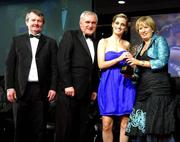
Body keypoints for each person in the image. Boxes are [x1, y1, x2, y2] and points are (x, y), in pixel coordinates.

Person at [5, 9, 58, 142]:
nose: (36, 23)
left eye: (39, 21)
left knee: (39, 128)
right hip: (20, 90)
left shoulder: (51, 42)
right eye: (33, 20)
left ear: (43, 24)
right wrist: (9, 87)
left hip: (41, 91)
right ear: (27, 22)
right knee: (20, 128)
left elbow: (54, 68)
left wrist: (53, 87)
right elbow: (9, 65)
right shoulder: (17, 40)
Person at [126, 16, 175, 142]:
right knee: (139, 130)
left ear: (152, 28)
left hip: (158, 89)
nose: (142, 30)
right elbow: (137, 74)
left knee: (157, 128)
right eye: (140, 28)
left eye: (145, 27)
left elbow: (162, 62)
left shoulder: (160, 40)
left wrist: (138, 62)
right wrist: (130, 75)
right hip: (142, 91)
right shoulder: (139, 48)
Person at [55, 10, 99, 142]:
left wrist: (94, 89)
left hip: (86, 93)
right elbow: (63, 62)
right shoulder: (70, 35)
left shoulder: (96, 42)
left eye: (93, 23)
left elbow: (94, 69)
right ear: (81, 24)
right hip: (70, 91)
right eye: (87, 22)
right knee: (66, 128)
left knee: (82, 128)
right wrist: (67, 84)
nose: (90, 25)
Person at [97, 13, 136, 142]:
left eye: (123, 25)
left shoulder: (127, 44)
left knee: (125, 123)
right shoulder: (104, 42)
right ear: (113, 24)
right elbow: (101, 64)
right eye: (117, 23)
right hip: (108, 85)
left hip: (125, 84)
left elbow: (130, 68)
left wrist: (132, 65)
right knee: (107, 124)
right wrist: (119, 58)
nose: (119, 26)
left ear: (125, 28)